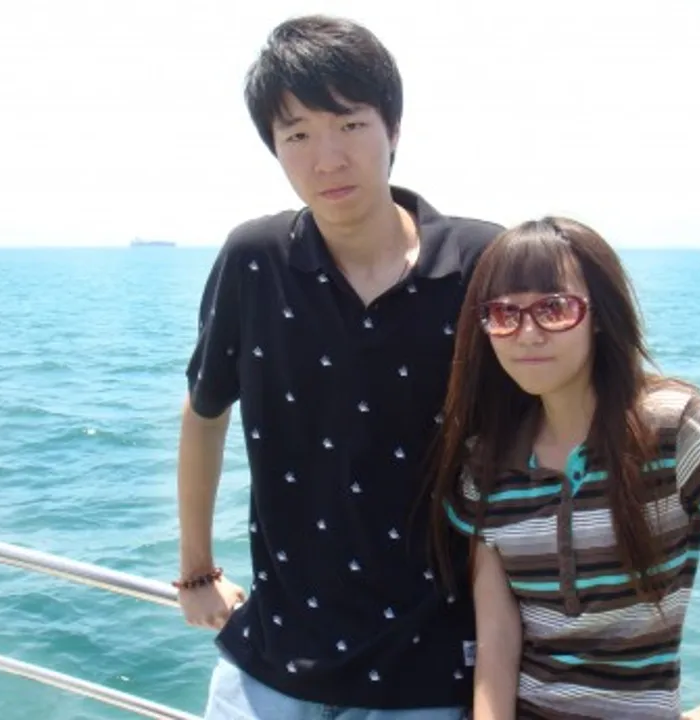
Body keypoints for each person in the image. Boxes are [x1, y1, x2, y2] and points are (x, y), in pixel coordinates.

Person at [175, 14, 502, 720]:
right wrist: (196, 571)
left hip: (429, 671)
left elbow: (550, 427)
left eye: (350, 125)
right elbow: (204, 411)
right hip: (274, 657)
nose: (327, 159)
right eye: (296, 135)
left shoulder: (480, 264)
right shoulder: (254, 260)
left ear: (394, 129)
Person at [431, 217, 700, 719]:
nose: (527, 334)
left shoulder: (670, 428)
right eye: (505, 314)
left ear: (598, 315)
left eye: (554, 309)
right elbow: (498, 636)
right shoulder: (487, 462)